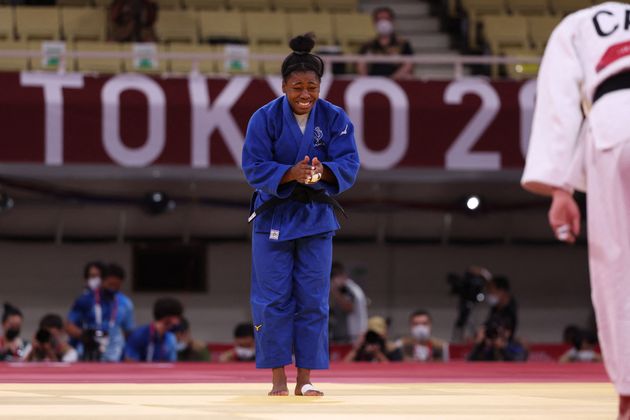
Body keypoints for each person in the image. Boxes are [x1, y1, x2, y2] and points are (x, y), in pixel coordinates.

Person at [521, 3, 630, 417]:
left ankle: (628, 395)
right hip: (610, 118)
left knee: (616, 266)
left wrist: (560, 189)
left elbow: (559, 106)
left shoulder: (581, 24)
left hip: (614, 122)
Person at [241, 33, 360, 397]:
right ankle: (278, 377)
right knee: (273, 299)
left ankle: (305, 378)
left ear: (320, 86)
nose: (305, 94)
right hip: (274, 218)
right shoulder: (264, 118)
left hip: (315, 218)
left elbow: (349, 163)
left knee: (313, 299)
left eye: (312, 87)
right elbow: (253, 166)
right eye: (297, 87)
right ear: (283, 86)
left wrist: (321, 172)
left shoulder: (335, 118)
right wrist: (289, 173)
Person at [66, 263, 135, 361]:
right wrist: (84, 335)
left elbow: (128, 332)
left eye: (117, 285)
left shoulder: (125, 303)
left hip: (115, 357)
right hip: (88, 354)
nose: (113, 288)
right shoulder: (86, 300)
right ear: (102, 280)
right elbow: (69, 326)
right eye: (110, 285)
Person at [357, 7, 414, 79]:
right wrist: (368, 81)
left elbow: (409, 65)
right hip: (373, 82)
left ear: (392, 21)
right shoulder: (368, 45)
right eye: (380, 19)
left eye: (386, 19)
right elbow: (360, 66)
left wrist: (391, 80)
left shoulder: (403, 44)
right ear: (374, 22)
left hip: (397, 82)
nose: (383, 23)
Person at [124, 297, 182, 362]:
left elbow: (172, 365)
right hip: (140, 371)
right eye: (177, 317)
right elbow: (129, 362)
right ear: (167, 317)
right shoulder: (138, 336)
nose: (178, 322)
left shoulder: (170, 338)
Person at [329, 261, 368, 343]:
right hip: (354, 335)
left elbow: (349, 307)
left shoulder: (348, 289)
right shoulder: (349, 288)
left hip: (352, 336)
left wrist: (334, 291)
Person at [484, 276, 518, 340]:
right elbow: (487, 325)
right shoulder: (495, 308)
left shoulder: (509, 312)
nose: (488, 293)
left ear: (502, 291)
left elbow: (504, 332)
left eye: (491, 290)